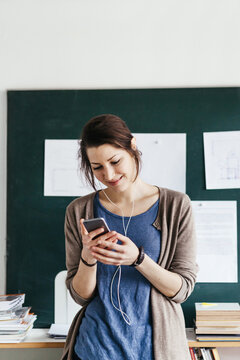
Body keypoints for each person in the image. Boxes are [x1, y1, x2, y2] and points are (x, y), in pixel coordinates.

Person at [61, 114, 198, 360]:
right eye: (97, 168)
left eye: (115, 161)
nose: (109, 174)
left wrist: (138, 259)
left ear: (132, 146)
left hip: (156, 350)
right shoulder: (78, 211)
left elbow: (181, 290)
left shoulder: (177, 206)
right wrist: (88, 257)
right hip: (95, 348)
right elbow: (80, 296)